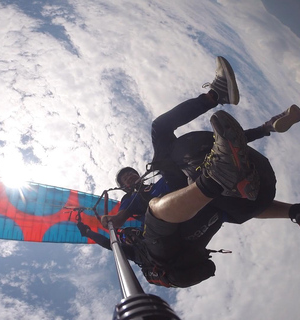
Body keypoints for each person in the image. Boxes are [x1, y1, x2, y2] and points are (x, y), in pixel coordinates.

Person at [97, 56, 300, 287]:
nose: (129, 177)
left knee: (174, 140)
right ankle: (218, 175)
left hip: (221, 201)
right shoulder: (131, 200)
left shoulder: (164, 179)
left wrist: (292, 211)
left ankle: (223, 100)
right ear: (123, 187)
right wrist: (115, 219)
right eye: (125, 179)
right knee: (156, 207)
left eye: (130, 173)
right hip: (166, 236)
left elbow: (229, 152)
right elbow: (127, 219)